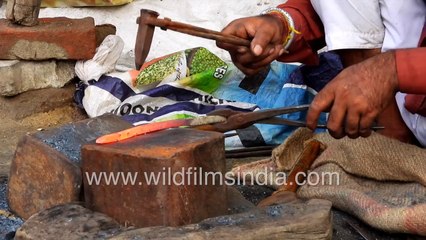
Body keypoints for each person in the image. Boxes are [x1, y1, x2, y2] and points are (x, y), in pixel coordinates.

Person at [217, 0, 426, 143]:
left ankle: (391, 138)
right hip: (403, 112)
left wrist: (393, 69)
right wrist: (283, 25)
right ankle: (389, 130)